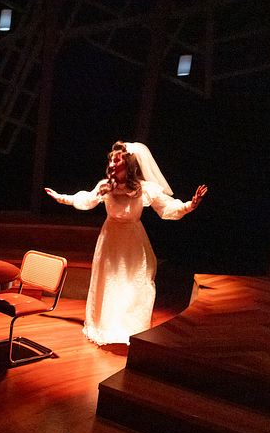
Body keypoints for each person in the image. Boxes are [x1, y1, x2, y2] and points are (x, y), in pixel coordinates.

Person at [45, 141, 207, 345]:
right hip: (110, 240)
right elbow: (86, 200)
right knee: (108, 283)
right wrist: (61, 198)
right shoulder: (105, 186)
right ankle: (105, 327)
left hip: (133, 242)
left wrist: (189, 206)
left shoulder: (144, 189)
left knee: (134, 284)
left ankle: (130, 329)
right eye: (111, 160)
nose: (112, 164)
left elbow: (166, 208)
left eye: (117, 160)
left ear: (128, 164)